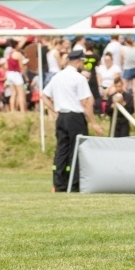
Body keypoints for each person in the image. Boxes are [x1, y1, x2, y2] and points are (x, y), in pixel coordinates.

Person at [41, 49, 103, 192]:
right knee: (77, 150)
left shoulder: (57, 76)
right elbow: (85, 103)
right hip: (75, 117)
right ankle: (74, 184)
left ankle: (59, 184)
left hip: (62, 117)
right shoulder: (79, 78)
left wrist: (55, 110)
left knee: (61, 150)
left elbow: (44, 95)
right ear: (78, 61)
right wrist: (93, 122)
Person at [5, 38, 28, 113]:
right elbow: (21, 67)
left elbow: (6, 66)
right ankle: (22, 110)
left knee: (13, 93)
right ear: (17, 45)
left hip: (9, 73)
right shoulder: (18, 54)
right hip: (16, 73)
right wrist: (25, 76)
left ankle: (12, 110)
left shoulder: (9, 54)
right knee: (21, 93)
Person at [121, 36, 135, 111]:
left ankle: (125, 104)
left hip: (127, 69)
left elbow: (121, 60)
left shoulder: (123, 49)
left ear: (125, 42)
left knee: (124, 88)